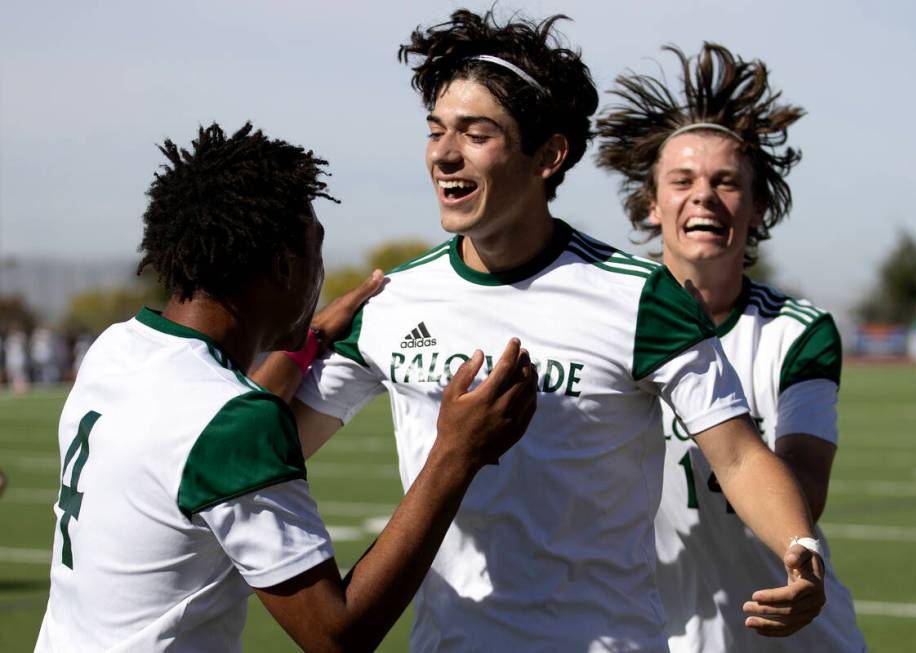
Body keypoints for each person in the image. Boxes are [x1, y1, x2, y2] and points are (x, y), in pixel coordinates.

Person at [264, 10, 825, 651]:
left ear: (548, 156)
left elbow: (740, 454)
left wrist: (798, 546)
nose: (445, 153)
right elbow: (277, 449)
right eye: (436, 132)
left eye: (476, 134)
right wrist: (292, 347)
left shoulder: (642, 298)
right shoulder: (390, 301)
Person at [35, 123, 538, 652]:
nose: (322, 272)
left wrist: (310, 335)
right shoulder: (231, 423)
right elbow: (336, 634)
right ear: (282, 264)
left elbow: (204, 429)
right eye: (315, 250)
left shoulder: (117, 350)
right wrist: (454, 455)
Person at [596, 43, 867, 652]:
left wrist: (703, 379)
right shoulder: (601, 322)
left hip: (792, 639)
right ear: (651, 201)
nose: (704, 197)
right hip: (648, 636)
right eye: (682, 181)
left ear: (757, 205)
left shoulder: (797, 332)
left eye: (726, 182)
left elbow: (807, 491)